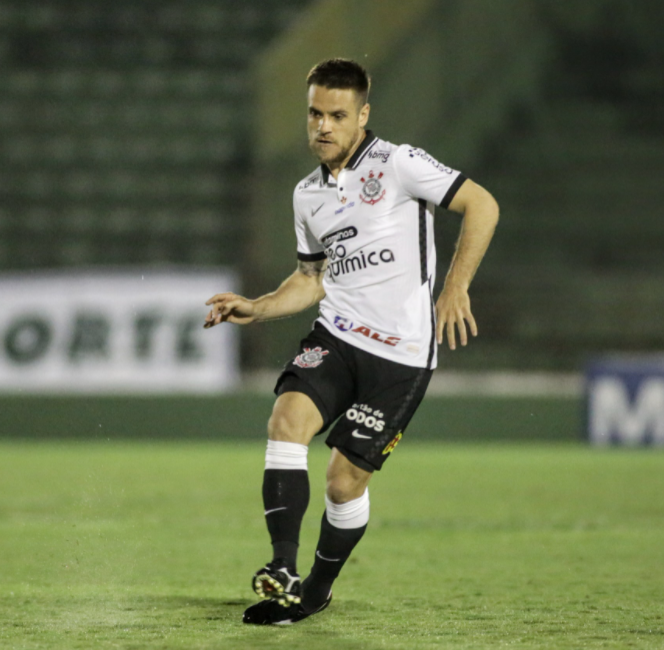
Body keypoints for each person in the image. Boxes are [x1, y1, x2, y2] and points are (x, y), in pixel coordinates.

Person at [203, 58, 499, 625]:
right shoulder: (307, 195)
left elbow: (481, 204)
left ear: (362, 116)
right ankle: (282, 568)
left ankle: (316, 587)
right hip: (337, 335)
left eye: (337, 115)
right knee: (286, 422)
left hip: (402, 356)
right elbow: (311, 278)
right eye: (315, 113)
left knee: (343, 483)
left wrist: (455, 286)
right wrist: (259, 307)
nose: (322, 127)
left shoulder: (399, 164)